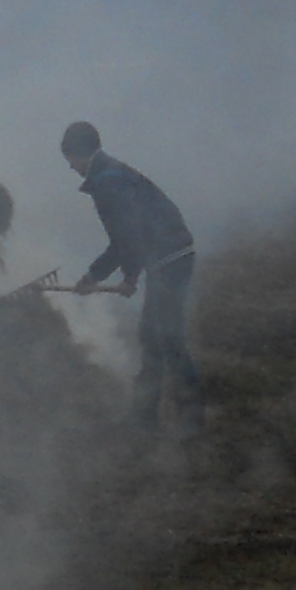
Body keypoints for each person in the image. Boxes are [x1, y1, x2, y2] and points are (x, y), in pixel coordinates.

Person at [61, 119, 201, 427]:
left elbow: (130, 232)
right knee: (152, 336)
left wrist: (130, 277)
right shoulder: (110, 174)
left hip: (170, 257)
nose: (70, 167)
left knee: (168, 338)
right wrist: (94, 276)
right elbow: (122, 240)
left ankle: (190, 421)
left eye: (69, 159)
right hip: (170, 255)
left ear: (80, 153)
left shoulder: (107, 180)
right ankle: (144, 417)